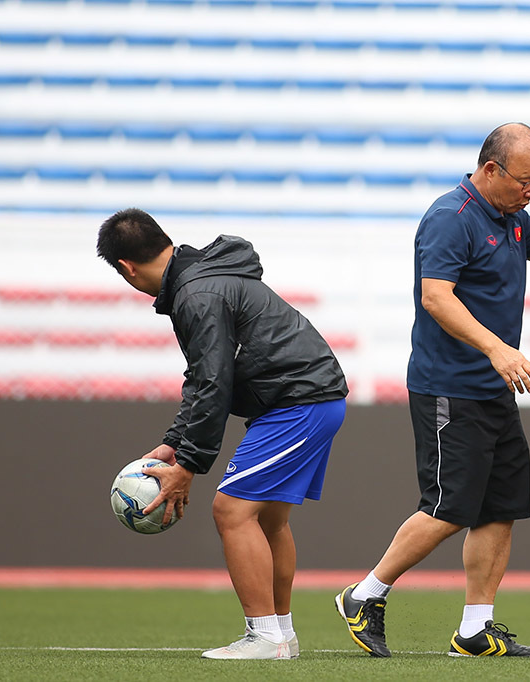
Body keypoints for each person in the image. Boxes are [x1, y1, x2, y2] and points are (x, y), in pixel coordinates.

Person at [335, 122, 530, 658]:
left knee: (500, 507)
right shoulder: (451, 218)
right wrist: (499, 349)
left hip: (490, 391)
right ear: (491, 169)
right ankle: (364, 594)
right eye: (526, 181)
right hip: (448, 387)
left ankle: (475, 628)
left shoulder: (512, 217)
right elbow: (436, 298)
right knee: (448, 506)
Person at [96, 209, 349, 660]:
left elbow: (215, 381)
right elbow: (203, 376)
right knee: (268, 520)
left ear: (126, 268)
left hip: (298, 402)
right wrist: (175, 442)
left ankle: (265, 637)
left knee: (231, 511)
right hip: (309, 398)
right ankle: (282, 635)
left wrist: (189, 466)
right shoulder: (201, 280)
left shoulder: (196, 293)